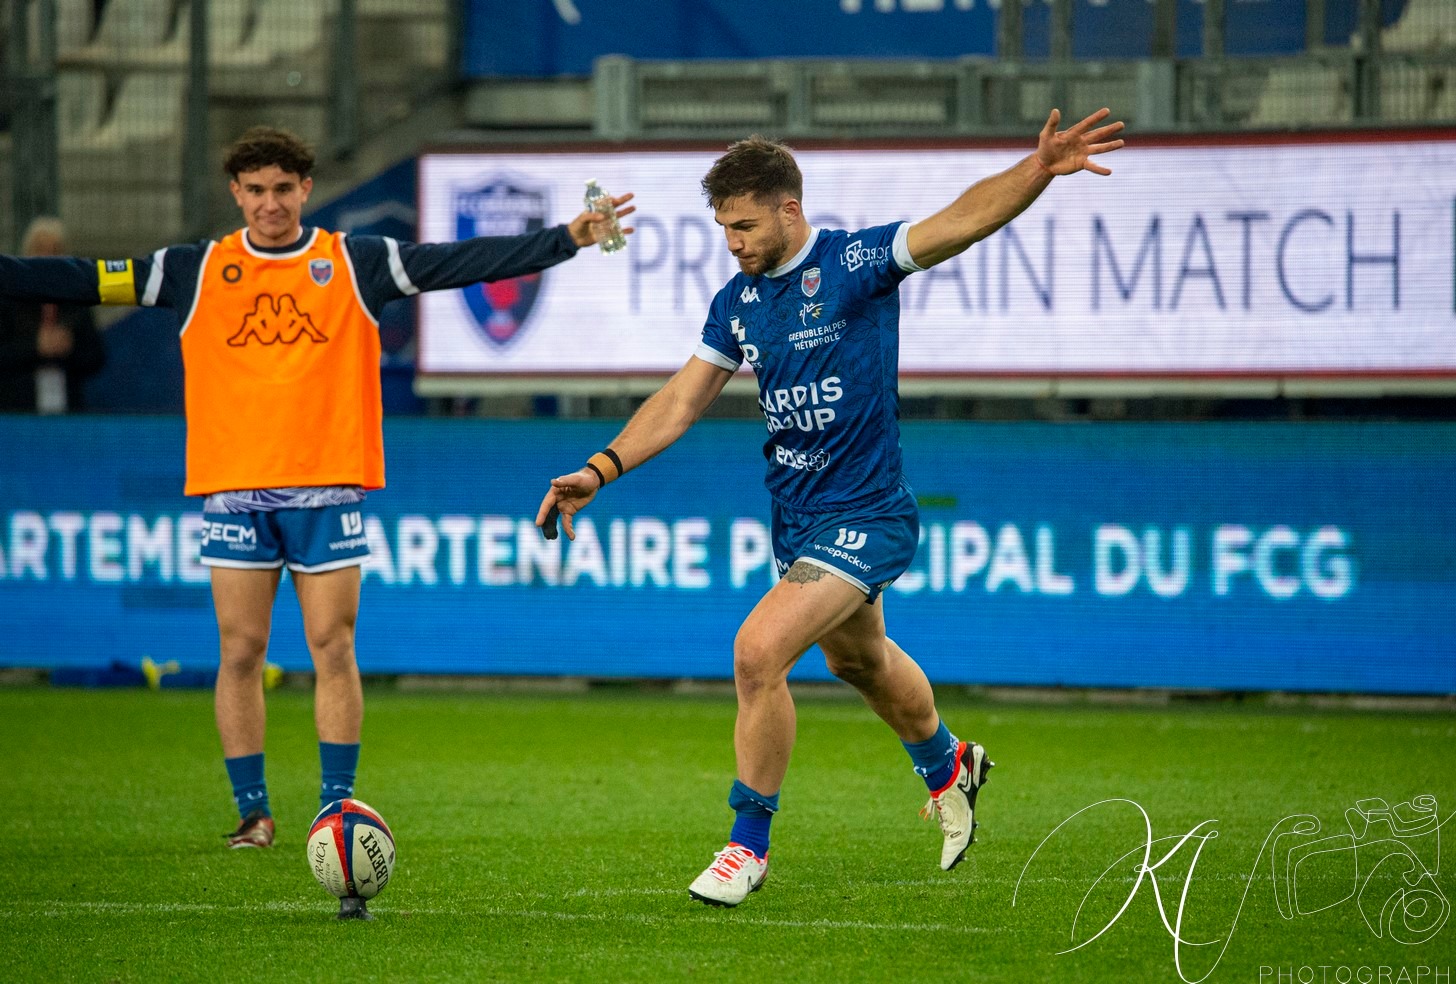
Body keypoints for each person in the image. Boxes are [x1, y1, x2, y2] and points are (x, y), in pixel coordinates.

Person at [0, 127, 634, 896]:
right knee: (240, 650)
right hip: (234, 488)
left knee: (333, 644)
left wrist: (566, 237)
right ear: (236, 193)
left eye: (284, 187)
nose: (270, 202)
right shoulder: (195, 269)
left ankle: (337, 806)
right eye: (256, 189)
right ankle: (252, 813)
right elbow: (77, 278)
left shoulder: (354, 261)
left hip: (327, 487)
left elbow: (455, 265)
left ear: (305, 189)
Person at [537, 108, 1124, 907]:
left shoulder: (855, 261)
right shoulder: (738, 302)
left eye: (744, 225)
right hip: (798, 520)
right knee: (859, 662)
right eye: (723, 229)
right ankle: (950, 764)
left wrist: (1036, 168)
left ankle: (747, 847)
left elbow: (960, 222)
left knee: (757, 652)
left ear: (788, 209)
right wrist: (599, 470)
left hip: (869, 514)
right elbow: (680, 402)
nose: (734, 242)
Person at [0, 217, 107, 413]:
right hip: (16, 414)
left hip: (67, 412)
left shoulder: (77, 301)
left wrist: (68, 347)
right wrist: (35, 346)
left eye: (55, 250)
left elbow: (96, 357)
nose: (47, 256)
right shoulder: (8, 299)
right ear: (26, 253)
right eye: (40, 248)